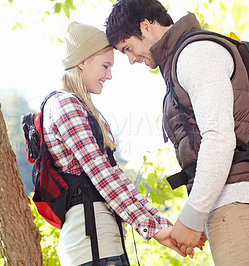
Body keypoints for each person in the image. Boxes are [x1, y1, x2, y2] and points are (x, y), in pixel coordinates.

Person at [105, 0, 249, 265]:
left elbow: (218, 139)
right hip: (240, 210)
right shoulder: (188, 55)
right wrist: (201, 216)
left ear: (145, 26)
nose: (131, 60)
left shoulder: (194, 54)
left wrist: (191, 217)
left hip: (238, 208)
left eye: (128, 49)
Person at [41, 21, 188, 266]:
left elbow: (114, 176)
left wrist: (159, 224)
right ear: (82, 61)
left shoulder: (82, 109)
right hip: (92, 252)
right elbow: (104, 177)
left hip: (103, 248)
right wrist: (154, 229)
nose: (109, 75)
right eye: (105, 66)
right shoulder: (65, 106)